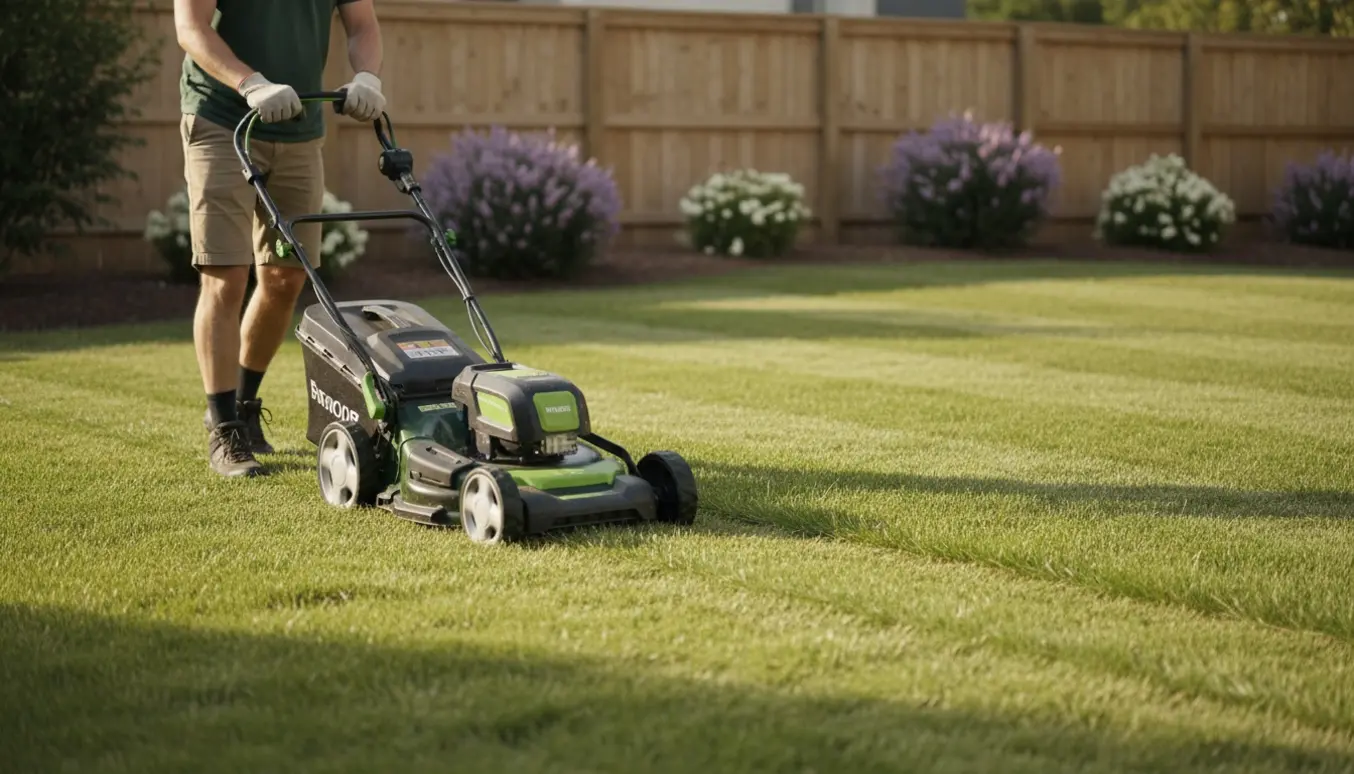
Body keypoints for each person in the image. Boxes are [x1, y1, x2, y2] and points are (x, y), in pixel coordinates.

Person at [173, 0, 385, 477]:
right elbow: (191, 27)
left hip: (299, 129)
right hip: (222, 120)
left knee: (286, 278)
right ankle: (224, 428)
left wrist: (368, 76)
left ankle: (244, 406)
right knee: (225, 276)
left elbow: (363, 25)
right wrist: (250, 82)